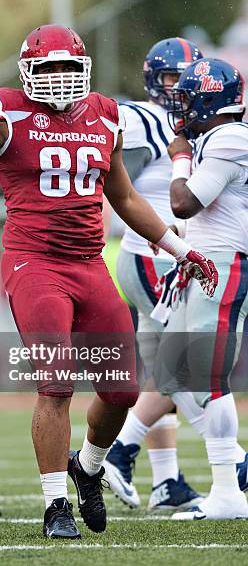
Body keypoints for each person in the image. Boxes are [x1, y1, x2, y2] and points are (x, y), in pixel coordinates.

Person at [0, 24, 218, 538]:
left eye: (67, 68)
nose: (58, 78)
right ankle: (55, 506)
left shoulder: (103, 113)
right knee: (56, 383)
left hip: (89, 264)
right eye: (47, 68)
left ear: (83, 70)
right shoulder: (6, 111)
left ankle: (88, 467)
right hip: (35, 264)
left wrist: (180, 249)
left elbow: (127, 198)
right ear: (28, 71)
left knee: (124, 389)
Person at [103, 38, 204, 510]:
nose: (177, 87)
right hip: (156, 255)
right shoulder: (142, 117)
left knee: (163, 370)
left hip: (173, 256)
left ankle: (166, 482)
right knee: (186, 364)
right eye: (170, 78)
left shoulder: (198, 119)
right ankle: (119, 449)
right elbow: (116, 182)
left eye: (186, 78)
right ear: (152, 79)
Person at [151, 57, 248, 520]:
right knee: (179, 371)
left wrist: (180, 157)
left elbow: (184, 201)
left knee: (208, 376)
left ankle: (229, 492)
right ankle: (234, 474)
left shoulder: (229, 137)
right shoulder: (221, 136)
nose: (182, 107)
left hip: (229, 263)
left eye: (189, 97)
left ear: (209, 98)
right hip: (211, 263)